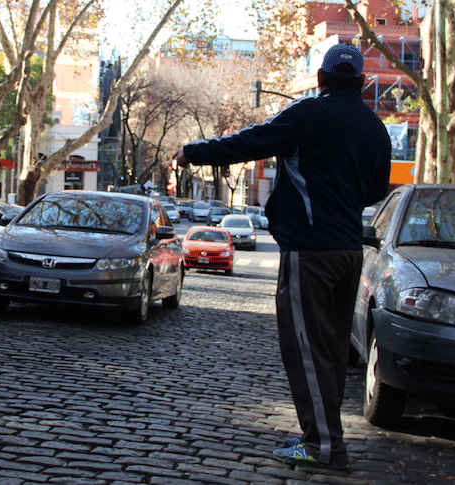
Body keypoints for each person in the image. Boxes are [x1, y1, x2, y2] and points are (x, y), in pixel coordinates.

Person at [174, 43, 391, 470]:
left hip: (310, 251)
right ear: (362, 81)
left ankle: (323, 446)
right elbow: (377, 191)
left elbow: (249, 142)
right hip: (349, 251)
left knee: (306, 350)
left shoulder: (308, 113)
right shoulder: (375, 127)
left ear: (321, 78)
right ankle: (324, 438)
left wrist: (192, 151)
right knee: (327, 351)